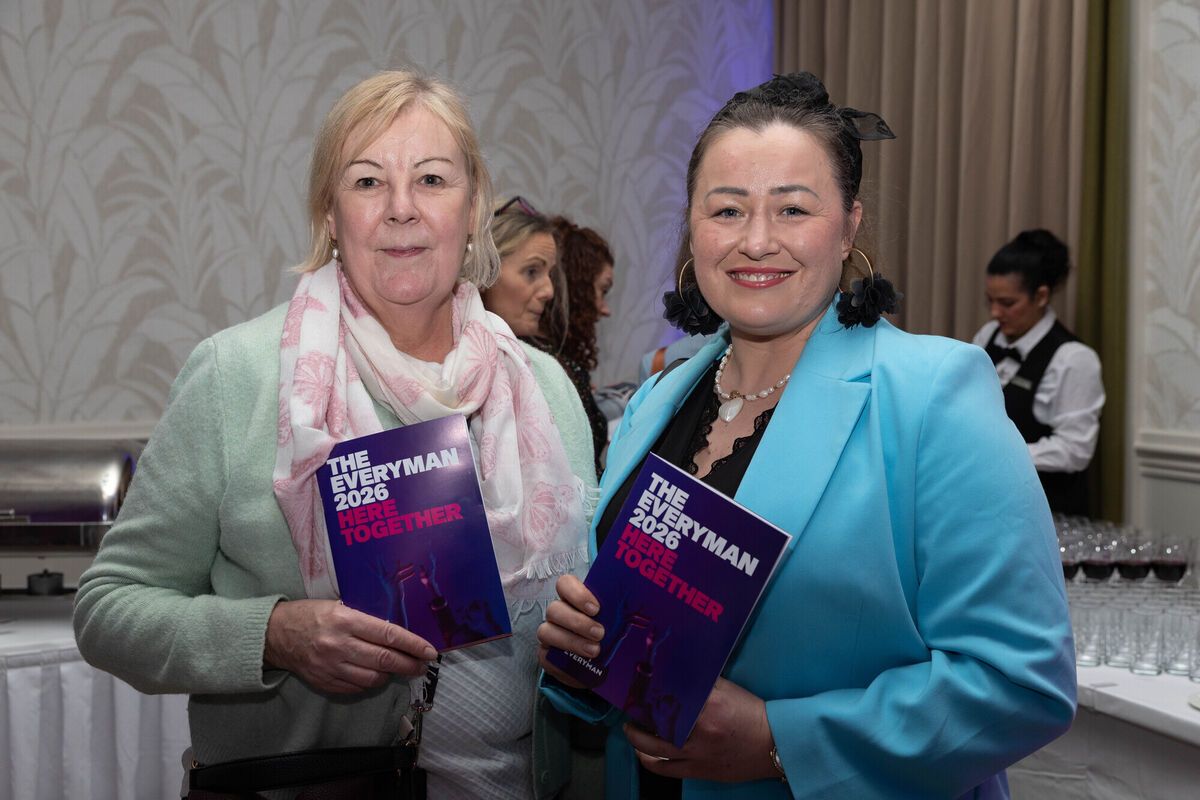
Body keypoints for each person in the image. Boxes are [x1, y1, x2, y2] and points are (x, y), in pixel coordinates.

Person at [536, 72, 1075, 799]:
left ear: (849, 227)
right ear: (693, 227)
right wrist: (584, 662)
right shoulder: (660, 399)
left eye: (793, 208)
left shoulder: (933, 396)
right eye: (727, 209)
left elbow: (1022, 683)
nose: (757, 241)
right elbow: (637, 639)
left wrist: (781, 743)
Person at [73, 70, 596, 800]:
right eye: (368, 182)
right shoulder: (239, 377)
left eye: (433, 179)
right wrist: (275, 634)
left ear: (473, 208)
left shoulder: (541, 388)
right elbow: (108, 609)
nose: (402, 210)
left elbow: (577, 612)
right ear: (329, 213)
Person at [973, 229, 1104, 516]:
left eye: (1007, 303)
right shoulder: (987, 337)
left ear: (1041, 295)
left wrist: (1000, 454)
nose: (995, 312)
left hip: (1047, 511)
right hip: (991, 504)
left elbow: (1074, 450)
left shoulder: (1073, 358)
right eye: (990, 300)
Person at [483, 198, 609, 477]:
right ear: (483, 269)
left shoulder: (548, 370)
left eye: (549, 274)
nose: (549, 291)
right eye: (531, 271)